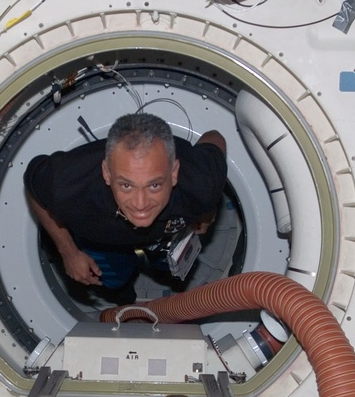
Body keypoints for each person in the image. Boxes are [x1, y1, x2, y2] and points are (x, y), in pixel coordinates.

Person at [24, 112, 227, 303]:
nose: (140, 205)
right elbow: (33, 187)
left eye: (154, 185)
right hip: (102, 239)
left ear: (174, 174)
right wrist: (69, 252)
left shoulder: (202, 183)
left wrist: (207, 211)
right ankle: (123, 293)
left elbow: (215, 137)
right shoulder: (67, 184)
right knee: (114, 279)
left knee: (168, 265)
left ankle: (159, 267)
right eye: (126, 185)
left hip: (166, 235)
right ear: (107, 174)